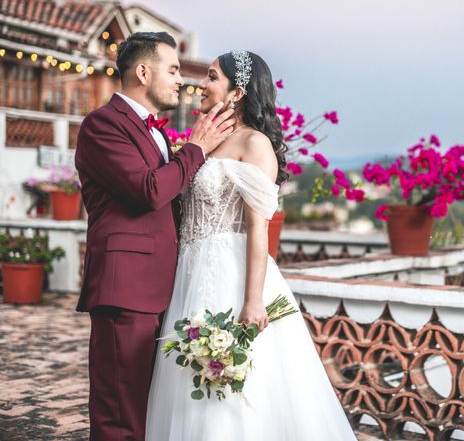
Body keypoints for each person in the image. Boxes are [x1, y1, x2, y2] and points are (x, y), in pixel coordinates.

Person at [145, 51, 356, 440]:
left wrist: (254, 300)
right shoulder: (205, 139)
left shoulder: (255, 143)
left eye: (211, 77)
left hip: (231, 272)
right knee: (189, 377)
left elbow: (260, 228)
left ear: (238, 91)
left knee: (233, 386)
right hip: (189, 272)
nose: (202, 85)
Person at [75, 31, 236, 441]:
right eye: (173, 69)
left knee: (148, 411)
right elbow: (150, 191)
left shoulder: (158, 134)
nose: (181, 80)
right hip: (125, 288)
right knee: (119, 415)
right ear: (143, 72)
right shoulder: (102, 125)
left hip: (165, 289)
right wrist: (196, 147)